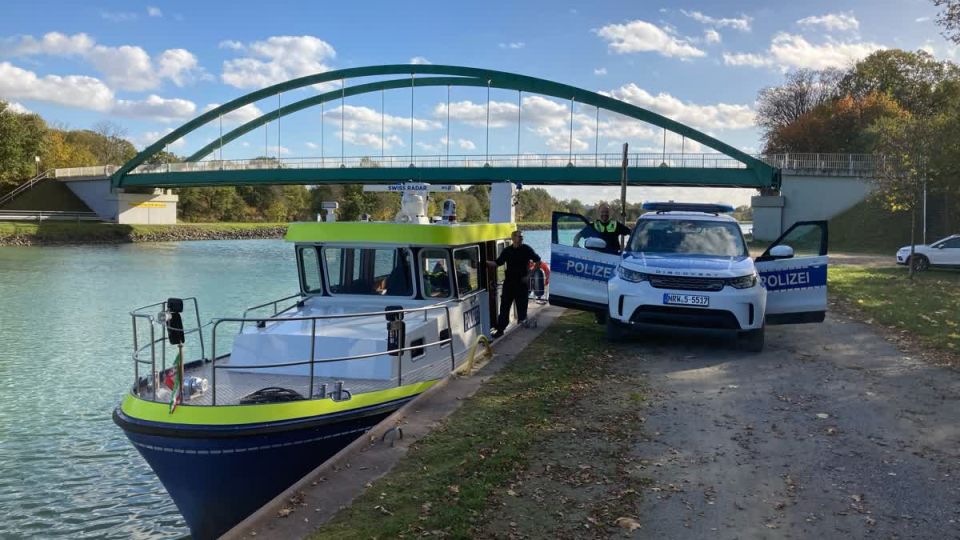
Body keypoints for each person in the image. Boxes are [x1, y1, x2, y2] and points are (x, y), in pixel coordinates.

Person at [487, 230, 541, 339]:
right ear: (513, 238)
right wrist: (483, 262)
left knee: (522, 308)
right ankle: (500, 330)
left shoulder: (527, 249)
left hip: (521, 283)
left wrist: (529, 275)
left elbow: (538, 261)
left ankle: (522, 329)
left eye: (522, 237)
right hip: (509, 283)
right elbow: (497, 263)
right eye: (519, 237)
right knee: (504, 307)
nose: (521, 238)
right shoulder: (507, 251)